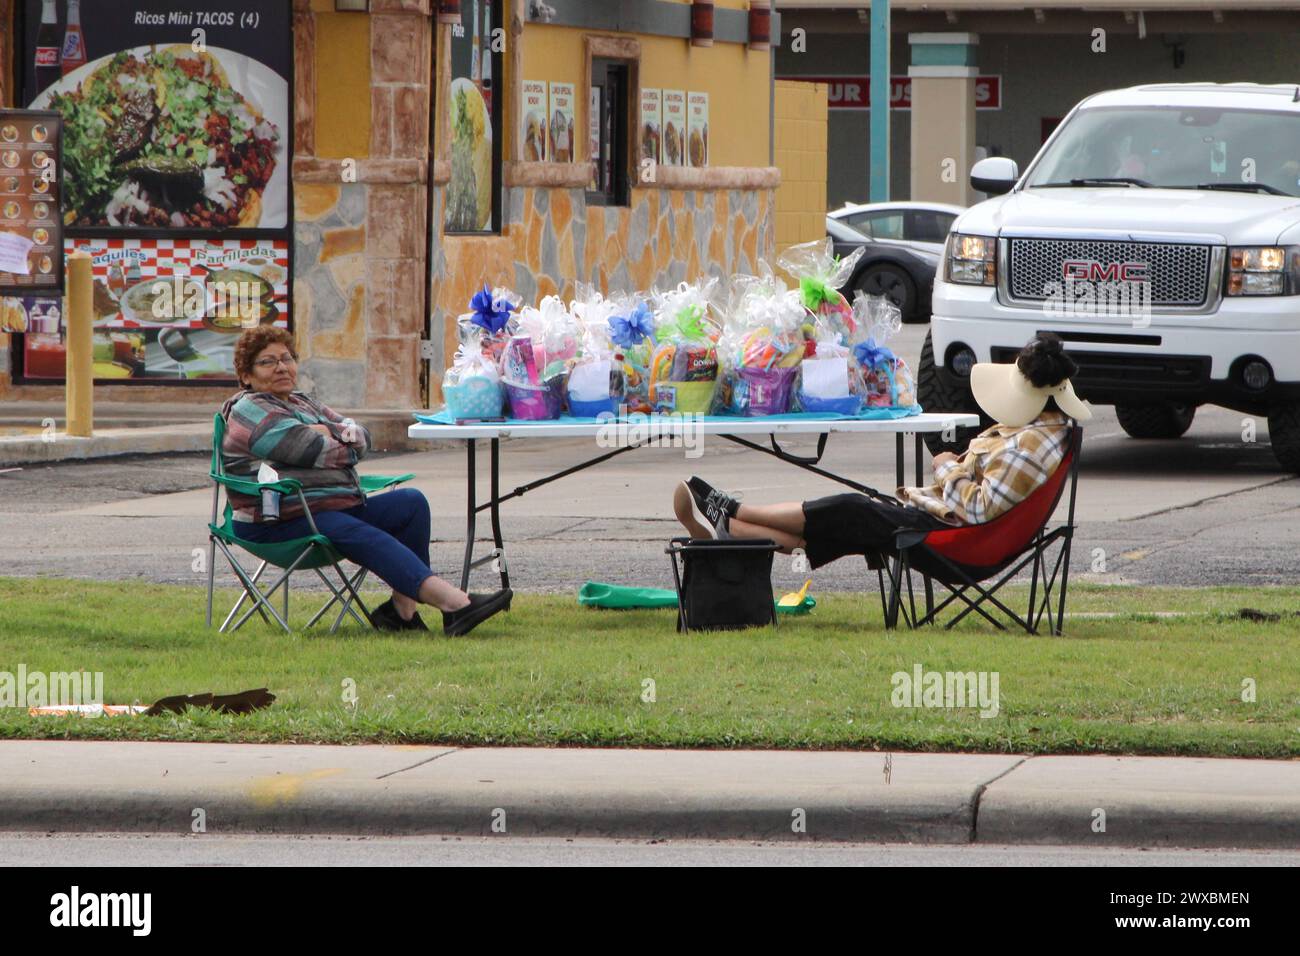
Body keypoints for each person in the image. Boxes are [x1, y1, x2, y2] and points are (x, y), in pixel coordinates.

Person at [673, 333, 1091, 571]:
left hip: (955, 539)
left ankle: (733, 511)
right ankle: (726, 528)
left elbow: (980, 508)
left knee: (851, 509)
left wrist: (948, 468)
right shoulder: (1041, 432)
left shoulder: (1034, 442)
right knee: (840, 527)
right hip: (946, 524)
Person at [220, 326, 511, 635]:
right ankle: (455, 604)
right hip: (274, 521)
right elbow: (312, 449)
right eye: (267, 362)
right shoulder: (249, 410)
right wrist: (333, 435)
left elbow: (362, 437)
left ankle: (401, 612)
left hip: (327, 508)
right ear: (247, 375)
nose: (281, 367)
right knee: (352, 529)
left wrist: (330, 433)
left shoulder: (303, 403)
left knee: (410, 503)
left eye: (287, 358)